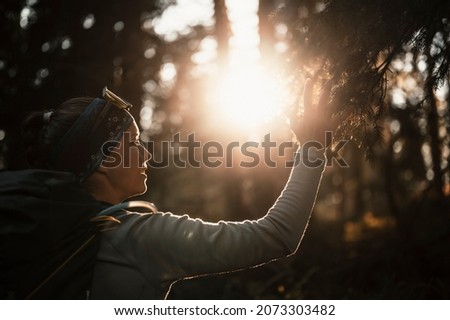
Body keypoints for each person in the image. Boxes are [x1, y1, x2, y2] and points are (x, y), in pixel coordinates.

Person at [2, 79, 335, 299]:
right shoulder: (137, 236)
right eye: (132, 142)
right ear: (103, 160)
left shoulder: (30, 228)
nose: (146, 154)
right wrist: (314, 147)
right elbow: (276, 235)